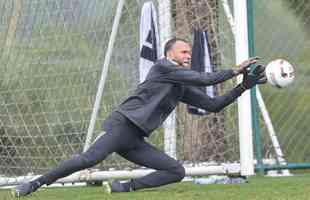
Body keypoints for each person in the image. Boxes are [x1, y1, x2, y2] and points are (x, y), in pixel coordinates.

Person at [13, 38, 266, 197]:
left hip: (134, 139)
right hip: (121, 124)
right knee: (89, 159)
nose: (188, 55)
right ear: (169, 55)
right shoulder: (163, 67)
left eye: (189, 52)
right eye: (183, 52)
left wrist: (244, 86)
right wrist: (235, 70)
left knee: (175, 171)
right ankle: (33, 185)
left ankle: (123, 188)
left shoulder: (179, 84)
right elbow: (205, 79)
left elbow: (214, 105)